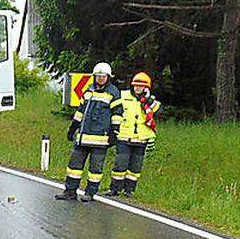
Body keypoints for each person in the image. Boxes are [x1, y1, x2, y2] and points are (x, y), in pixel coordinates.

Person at [56, 63, 123, 203]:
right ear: (94, 77)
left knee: (95, 170)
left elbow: (117, 114)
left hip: (100, 139)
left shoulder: (113, 92)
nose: (100, 79)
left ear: (108, 77)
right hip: (83, 137)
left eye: (103, 76)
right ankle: (70, 191)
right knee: (74, 167)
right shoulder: (89, 90)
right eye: (98, 76)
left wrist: (114, 132)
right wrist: (73, 127)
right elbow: (81, 110)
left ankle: (90, 193)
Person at [107, 72, 161, 197]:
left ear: (146, 88)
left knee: (135, 168)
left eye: (141, 86)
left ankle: (129, 190)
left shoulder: (150, 101)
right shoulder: (123, 95)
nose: (137, 88)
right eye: (136, 85)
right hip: (124, 136)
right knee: (120, 164)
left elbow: (159, 112)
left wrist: (147, 101)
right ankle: (114, 189)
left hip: (141, 139)